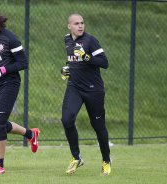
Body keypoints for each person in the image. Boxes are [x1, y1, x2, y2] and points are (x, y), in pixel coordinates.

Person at [0, 10, 40, 174]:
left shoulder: (10, 39)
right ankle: (31, 134)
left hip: (9, 84)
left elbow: (23, 63)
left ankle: (0, 165)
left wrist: (3, 70)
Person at [60, 13, 111, 176]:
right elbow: (71, 60)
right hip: (74, 87)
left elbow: (104, 63)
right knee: (67, 119)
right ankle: (76, 157)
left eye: (82, 23)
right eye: (76, 23)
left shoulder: (91, 40)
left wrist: (86, 56)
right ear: (69, 26)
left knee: (98, 126)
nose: (80, 26)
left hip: (93, 89)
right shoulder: (67, 40)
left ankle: (106, 160)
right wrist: (66, 69)